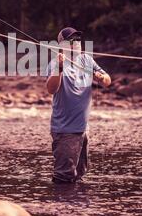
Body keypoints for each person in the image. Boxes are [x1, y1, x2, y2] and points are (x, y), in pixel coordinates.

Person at [46, 27, 111, 184]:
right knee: (63, 177)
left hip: (83, 129)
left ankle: (76, 208)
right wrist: (60, 68)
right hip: (65, 130)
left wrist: (101, 78)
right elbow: (51, 88)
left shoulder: (87, 60)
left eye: (77, 40)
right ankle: (61, 207)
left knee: (80, 174)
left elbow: (108, 81)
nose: (75, 43)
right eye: (71, 40)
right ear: (62, 45)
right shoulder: (55, 64)